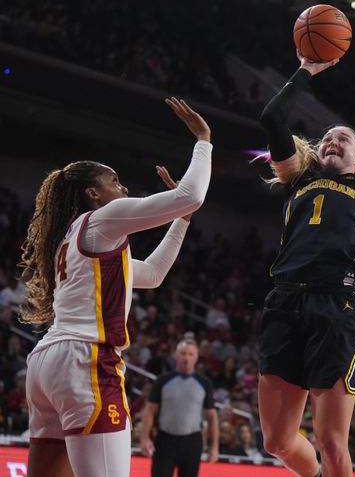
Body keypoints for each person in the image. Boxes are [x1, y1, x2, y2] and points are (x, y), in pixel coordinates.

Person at [21, 97, 213, 477]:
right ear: (93, 194)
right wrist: (204, 141)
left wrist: (182, 221)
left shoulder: (74, 236)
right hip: (83, 360)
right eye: (114, 181)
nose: (123, 188)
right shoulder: (101, 219)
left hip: (46, 363)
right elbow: (190, 193)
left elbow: (153, 274)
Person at [256, 18, 355, 477]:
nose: (334, 141)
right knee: (275, 441)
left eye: (345, 139)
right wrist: (306, 71)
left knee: (333, 443)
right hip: (285, 298)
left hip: (338, 302)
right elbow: (272, 119)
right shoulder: (299, 178)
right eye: (328, 137)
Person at [139, 339, 220, 477]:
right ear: (176, 355)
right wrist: (144, 438)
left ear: (196, 357)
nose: (186, 357)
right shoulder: (162, 381)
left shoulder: (204, 383)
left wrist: (214, 447)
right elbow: (149, 410)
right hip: (165, 439)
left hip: (192, 440)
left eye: (190, 354)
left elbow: (212, 416)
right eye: (183, 353)